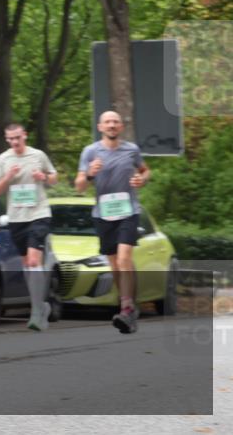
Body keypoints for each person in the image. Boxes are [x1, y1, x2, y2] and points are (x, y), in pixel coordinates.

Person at [75, 110, 150, 334]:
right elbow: (79, 186)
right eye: (107, 122)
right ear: (100, 127)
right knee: (115, 263)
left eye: (116, 121)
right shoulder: (90, 152)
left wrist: (141, 179)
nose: (112, 125)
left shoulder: (131, 150)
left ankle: (126, 308)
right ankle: (128, 305)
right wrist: (89, 174)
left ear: (121, 127)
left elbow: (145, 171)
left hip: (128, 210)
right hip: (103, 214)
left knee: (125, 257)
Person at [0, 123, 59, 331]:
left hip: (39, 213)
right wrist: (9, 176)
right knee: (27, 265)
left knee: (33, 260)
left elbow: (54, 179)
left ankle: (36, 312)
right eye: (10, 139)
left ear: (25, 136)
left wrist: (44, 178)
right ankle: (40, 306)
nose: (14, 142)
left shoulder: (38, 155)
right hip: (16, 217)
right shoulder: (3, 159)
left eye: (17, 138)